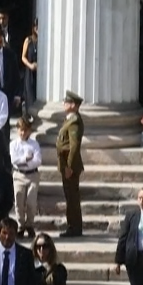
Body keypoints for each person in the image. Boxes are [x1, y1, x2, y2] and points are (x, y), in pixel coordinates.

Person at [56, 91, 84, 238]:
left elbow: (74, 146)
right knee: (70, 197)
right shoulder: (69, 119)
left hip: (69, 166)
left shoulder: (74, 121)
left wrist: (69, 167)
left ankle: (74, 227)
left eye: (66, 102)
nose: (64, 104)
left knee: (72, 198)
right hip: (66, 164)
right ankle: (73, 225)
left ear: (73, 105)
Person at [10, 115, 42, 238]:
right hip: (19, 174)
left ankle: (30, 224)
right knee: (19, 201)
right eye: (21, 130)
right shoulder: (14, 144)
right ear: (17, 130)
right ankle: (20, 224)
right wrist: (26, 159)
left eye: (25, 130)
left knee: (31, 201)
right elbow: (14, 160)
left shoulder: (34, 144)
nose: (23, 133)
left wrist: (26, 162)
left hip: (32, 174)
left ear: (30, 131)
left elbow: (37, 160)